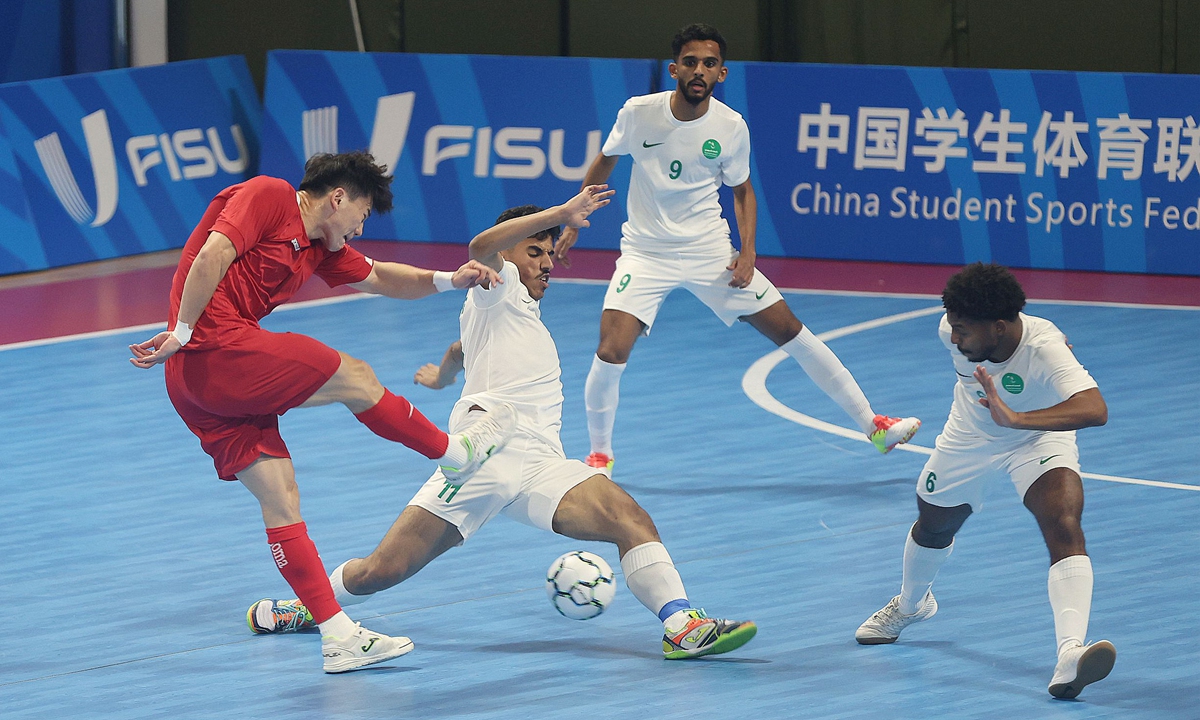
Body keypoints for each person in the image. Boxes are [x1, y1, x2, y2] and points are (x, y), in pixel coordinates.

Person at [249, 186, 759, 660]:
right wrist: (562, 214)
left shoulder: (509, 314)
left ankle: (681, 626)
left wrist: (443, 377)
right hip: (483, 456)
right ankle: (307, 607)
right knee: (382, 571)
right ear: (508, 257)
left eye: (547, 253)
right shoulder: (498, 283)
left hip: (541, 462)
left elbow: (460, 348)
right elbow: (480, 243)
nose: (545, 263)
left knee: (629, 517)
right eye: (533, 251)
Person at [128, 151, 518, 673]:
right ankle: (456, 454)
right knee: (353, 376)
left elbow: (382, 278)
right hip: (213, 350)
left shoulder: (319, 247)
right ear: (337, 197)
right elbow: (212, 254)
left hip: (198, 387)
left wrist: (451, 279)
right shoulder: (268, 195)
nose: (360, 227)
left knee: (282, 499)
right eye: (361, 213)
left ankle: (337, 638)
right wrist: (182, 330)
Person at [553, 23, 920, 474]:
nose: (699, 71)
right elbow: (606, 159)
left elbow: (743, 191)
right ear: (674, 69)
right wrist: (573, 216)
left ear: (722, 74)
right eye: (690, 62)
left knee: (788, 329)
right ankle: (600, 455)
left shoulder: (730, 127)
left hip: (710, 252)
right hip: (646, 253)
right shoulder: (637, 113)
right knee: (611, 349)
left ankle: (875, 426)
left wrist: (747, 253)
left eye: (709, 64)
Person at [854, 263, 1115, 699]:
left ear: (998, 328)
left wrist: (1019, 419)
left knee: (1064, 523)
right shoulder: (950, 329)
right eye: (953, 328)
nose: (953, 337)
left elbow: (1095, 408)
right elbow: (962, 349)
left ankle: (1070, 653)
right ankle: (912, 605)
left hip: (1037, 437)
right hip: (969, 436)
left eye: (963, 330)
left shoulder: (1047, 348)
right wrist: (1001, 419)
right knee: (935, 525)